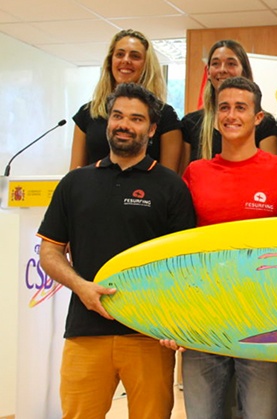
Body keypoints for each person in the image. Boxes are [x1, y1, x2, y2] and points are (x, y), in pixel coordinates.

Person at [37, 82, 196, 418]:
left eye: (136, 119)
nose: (124, 124)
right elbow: (49, 252)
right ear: (108, 122)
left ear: (152, 130)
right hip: (85, 332)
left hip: (148, 335)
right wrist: (81, 286)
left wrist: (173, 323)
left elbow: (183, 267)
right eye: (118, 116)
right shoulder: (75, 183)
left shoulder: (172, 187)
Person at [179, 76, 277, 419]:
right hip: (203, 319)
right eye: (224, 107)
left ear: (258, 118)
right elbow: (176, 250)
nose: (231, 115)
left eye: (241, 107)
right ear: (214, 115)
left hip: (263, 319)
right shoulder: (195, 172)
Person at [71, 29, 182, 172]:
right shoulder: (87, 113)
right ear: (110, 61)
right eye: (120, 54)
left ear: (146, 65)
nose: (126, 60)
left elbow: (169, 181)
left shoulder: (165, 116)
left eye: (135, 56)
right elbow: (75, 174)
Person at [180, 39, 277, 171]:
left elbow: (271, 173)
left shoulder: (264, 123)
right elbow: (183, 177)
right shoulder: (191, 123)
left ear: (244, 70)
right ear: (208, 72)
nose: (222, 70)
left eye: (231, 64)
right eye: (215, 64)